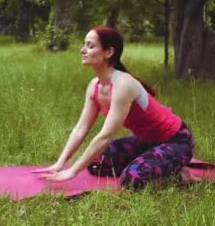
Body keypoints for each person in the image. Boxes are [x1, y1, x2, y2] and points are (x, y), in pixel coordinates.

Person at [34, 27, 195, 189]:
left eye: (90, 46)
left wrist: (73, 171)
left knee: (132, 180)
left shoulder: (123, 85)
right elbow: (81, 128)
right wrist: (60, 163)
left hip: (177, 141)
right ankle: (156, 162)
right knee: (97, 163)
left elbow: (105, 136)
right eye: (84, 45)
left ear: (108, 52)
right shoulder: (94, 86)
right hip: (148, 141)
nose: (82, 50)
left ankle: (180, 174)